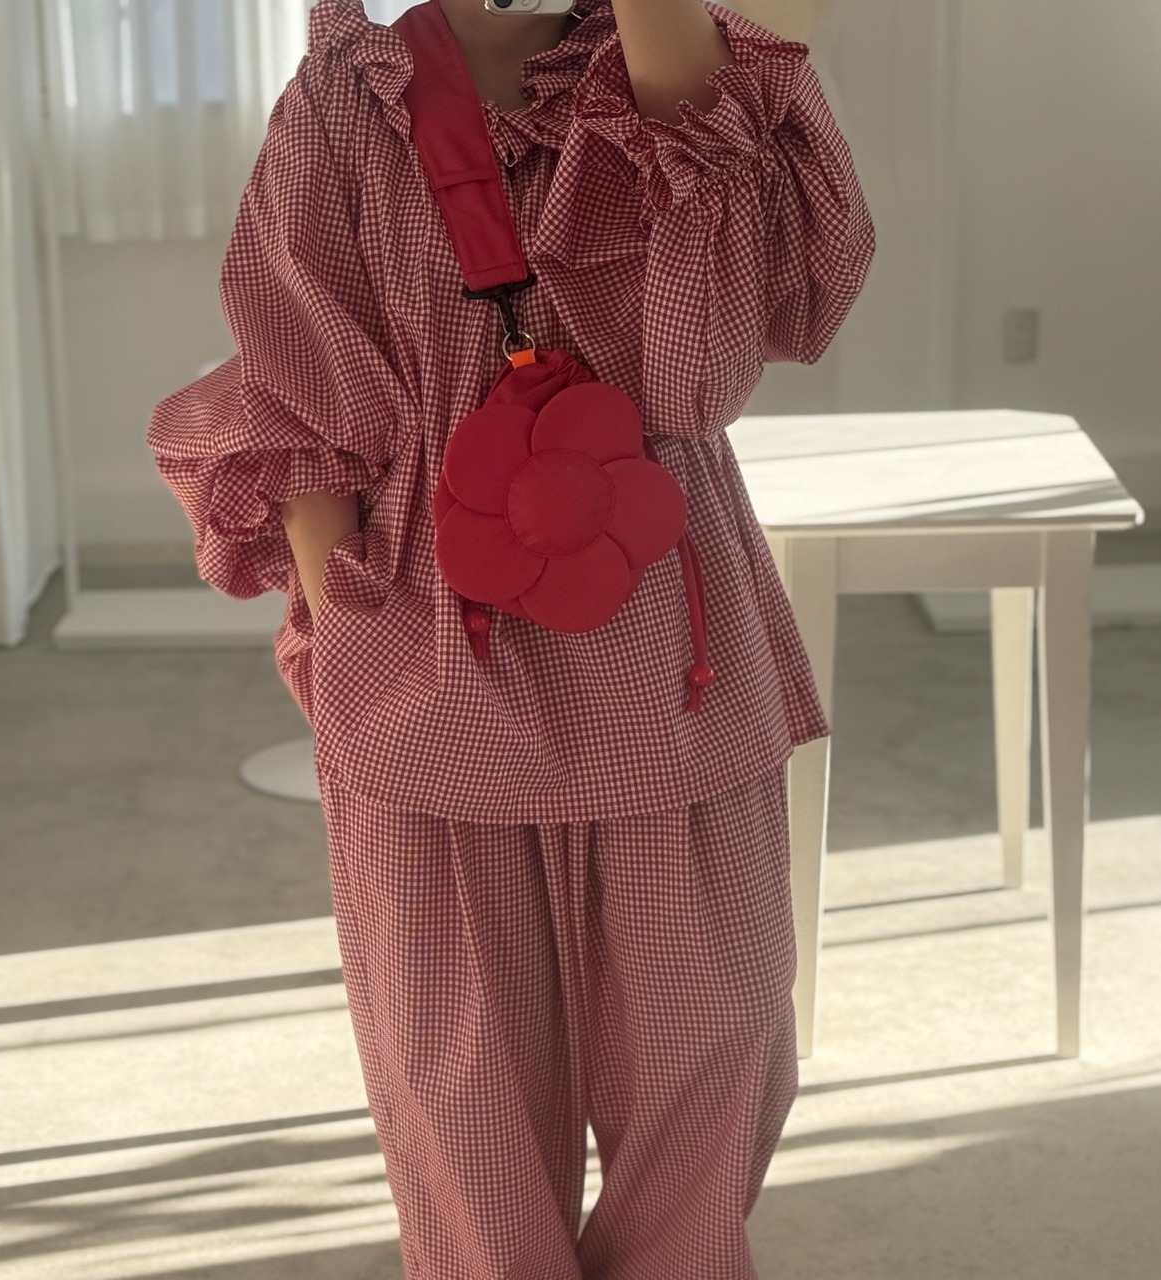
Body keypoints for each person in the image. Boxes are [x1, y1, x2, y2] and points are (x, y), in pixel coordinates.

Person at [148, 1, 874, 1275]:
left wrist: (670, 62)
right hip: (427, 656)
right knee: (460, 1087)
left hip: (668, 657)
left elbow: (701, 380)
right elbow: (296, 389)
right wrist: (344, 623)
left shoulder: (693, 79)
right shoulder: (343, 101)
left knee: (713, 1048)